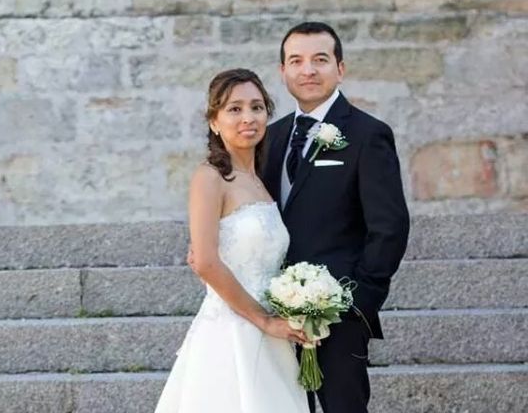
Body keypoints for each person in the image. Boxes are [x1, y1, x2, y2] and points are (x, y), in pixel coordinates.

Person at [260, 21, 410, 412]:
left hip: (339, 315)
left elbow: (389, 226)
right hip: (274, 316)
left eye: (320, 60)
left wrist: (357, 304)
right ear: (283, 72)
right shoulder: (268, 138)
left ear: (339, 69)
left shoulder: (366, 134)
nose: (308, 70)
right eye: (297, 61)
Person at [155, 68, 310, 413]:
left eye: (256, 107)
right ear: (214, 121)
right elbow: (206, 261)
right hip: (232, 331)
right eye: (234, 109)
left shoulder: (261, 182)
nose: (248, 118)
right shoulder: (211, 177)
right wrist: (265, 320)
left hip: (274, 337)